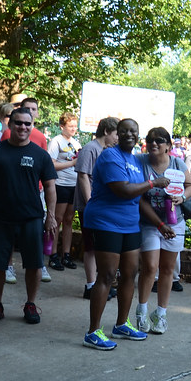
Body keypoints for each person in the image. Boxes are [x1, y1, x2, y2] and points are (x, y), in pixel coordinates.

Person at [82, 118, 165, 350]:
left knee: (130, 274)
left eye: (134, 131)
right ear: (117, 134)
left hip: (130, 224)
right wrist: (153, 183)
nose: (130, 134)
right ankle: (93, 331)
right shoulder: (110, 156)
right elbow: (123, 190)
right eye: (125, 131)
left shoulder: (135, 160)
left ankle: (121, 324)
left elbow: (136, 196)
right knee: (107, 275)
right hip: (106, 221)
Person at [0, 106, 58, 326]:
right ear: (9, 125)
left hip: (31, 217)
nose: (23, 127)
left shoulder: (41, 155)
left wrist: (51, 216)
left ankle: (30, 304)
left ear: (32, 126)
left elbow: (50, 186)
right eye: (18, 123)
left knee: (34, 264)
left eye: (27, 124)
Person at [134, 126, 191, 335]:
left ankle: (160, 314)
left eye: (159, 140)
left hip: (175, 222)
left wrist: (182, 197)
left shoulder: (177, 164)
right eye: (150, 140)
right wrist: (160, 225)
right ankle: (141, 311)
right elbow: (140, 200)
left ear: (169, 146)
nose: (154, 144)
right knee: (150, 267)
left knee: (168, 269)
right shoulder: (141, 162)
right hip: (151, 223)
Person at [76, 116, 120, 300]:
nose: (118, 138)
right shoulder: (90, 149)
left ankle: (100, 283)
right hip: (91, 207)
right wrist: (89, 203)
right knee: (91, 247)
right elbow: (83, 176)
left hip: (103, 206)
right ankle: (90, 284)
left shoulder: (107, 150)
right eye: (117, 133)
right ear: (107, 131)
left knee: (100, 246)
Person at [47, 112, 81, 272]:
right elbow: (51, 164)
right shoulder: (56, 141)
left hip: (74, 185)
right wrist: (72, 163)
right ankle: (53, 254)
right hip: (60, 183)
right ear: (62, 126)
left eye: (75, 125)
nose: (73, 129)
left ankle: (66, 254)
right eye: (70, 126)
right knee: (58, 219)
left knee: (69, 219)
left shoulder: (76, 142)